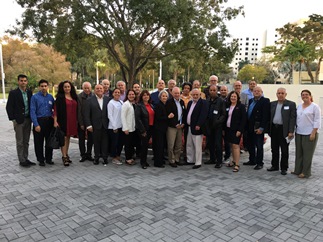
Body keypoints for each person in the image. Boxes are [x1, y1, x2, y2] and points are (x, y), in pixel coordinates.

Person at [6, 74, 35, 167]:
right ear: (18, 82)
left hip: (28, 119)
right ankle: (21, 160)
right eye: (21, 80)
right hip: (18, 121)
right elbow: (9, 107)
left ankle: (26, 158)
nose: (23, 82)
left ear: (27, 82)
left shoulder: (29, 92)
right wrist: (13, 119)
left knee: (26, 141)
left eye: (25, 81)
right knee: (20, 141)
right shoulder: (13, 93)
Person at [267, 88, 296, 175]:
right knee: (274, 149)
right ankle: (274, 166)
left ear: (285, 94)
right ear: (276, 94)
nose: (280, 95)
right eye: (279, 93)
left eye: (282, 93)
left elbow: (292, 118)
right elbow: (269, 117)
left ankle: (284, 167)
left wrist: (291, 131)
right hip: (274, 129)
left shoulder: (291, 104)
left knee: (284, 150)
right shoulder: (272, 104)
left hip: (284, 130)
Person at [293, 90, 321, 178]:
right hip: (299, 132)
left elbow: (317, 120)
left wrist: (313, 133)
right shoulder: (299, 106)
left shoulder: (315, 107)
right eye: (303, 95)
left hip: (309, 133)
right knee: (299, 153)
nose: (304, 96)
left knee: (307, 154)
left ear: (310, 96)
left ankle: (306, 172)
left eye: (306, 94)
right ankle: (297, 170)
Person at [243, 86, 270, 170]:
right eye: (255, 91)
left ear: (261, 92)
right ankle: (252, 160)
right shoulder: (251, 100)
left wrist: (262, 128)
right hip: (250, 126)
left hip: (258, 127)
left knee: (259, 145)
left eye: (258, 91)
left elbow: (265, 116)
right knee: (250, 144)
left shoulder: (265, 101)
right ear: (252, 92)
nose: (256, 92)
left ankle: (259, 163)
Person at [30, 79, 55, 166]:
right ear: (39, 87)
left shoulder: (50, 97)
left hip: (49, 122)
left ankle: (49, 158)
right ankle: (41, 159)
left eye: (45, 86)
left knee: (49, 141)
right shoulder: (35, 97)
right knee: (38, 142)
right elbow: (32, 111)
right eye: (42, 86)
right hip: (39, 121)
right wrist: (36, 124)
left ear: (48, 87)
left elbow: (54, 109)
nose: (44, 88)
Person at [53, 80, 78, 166]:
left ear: (71, 88)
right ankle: (64, 156)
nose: (67, 88)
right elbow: (56, 111)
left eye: (68, 87)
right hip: (63, 120)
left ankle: (66, 154)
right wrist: (55, 121)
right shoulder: (60, 98)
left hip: (72, 120)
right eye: (65, 87)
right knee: (63, 138)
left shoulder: (74, 97)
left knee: (68, 138)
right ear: (62, 88)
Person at [84, 84, 109, 165]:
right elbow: (86, 114)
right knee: (96, 142)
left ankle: (105, 158)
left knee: (105, 142)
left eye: (101, 88)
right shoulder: (89, 100)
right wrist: (88, 125)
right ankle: (96, 158)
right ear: (94, 90)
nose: (99, 90)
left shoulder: (108, 99)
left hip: (105, 125)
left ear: (103, 90)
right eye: (97, 88)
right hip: (95, 125)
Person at [185, 89, 208, 169]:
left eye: (196, 95)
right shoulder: (190, 103)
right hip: (189, 127)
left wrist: (199, 124)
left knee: (197, 145)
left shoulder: (203, 103)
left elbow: (203, 114)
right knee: (189, 144)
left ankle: (198, 162)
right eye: (193, 94)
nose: (195, 96)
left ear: (200, 94)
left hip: (197, 127)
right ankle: (190, 160)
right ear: (191, 95)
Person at [225, 91, 246, 172]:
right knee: (232, 145)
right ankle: (233, 161)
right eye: (231, 96)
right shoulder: (228, 106)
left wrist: (240, 130)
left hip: (236, 130)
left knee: (236, 145)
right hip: (228, 129)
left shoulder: (241, 106)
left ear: (237, 98)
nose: (233, 98)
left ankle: (237, 164)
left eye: (234, 97)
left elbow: (243, 120)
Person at [205, 85, 226, 168]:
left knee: (218, 144)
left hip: (217, 127)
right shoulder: (207, 101)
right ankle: (212, 159)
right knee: (210, 143)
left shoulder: (221, 101)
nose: (212, 91)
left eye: (214, 90)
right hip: (209, 126)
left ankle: (219, 161)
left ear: (217, 91)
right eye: (211, 90)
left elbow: (224, 114)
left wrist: (218, 122)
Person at [166, 87, 186, 167]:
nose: (177, 94)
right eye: (175, 93)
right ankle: (171, 160)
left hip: (180, 126)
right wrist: (175, 124)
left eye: (178, 93)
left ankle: (177, 159)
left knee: (179, 144)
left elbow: (184, 113)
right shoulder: (169, 102)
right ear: (172, 93)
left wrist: (183, 123)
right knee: (171, 144)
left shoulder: (182, 102)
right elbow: (169, 115)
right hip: (172, 127)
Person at [135, 90, 155, 169]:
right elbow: (138, 119)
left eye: (147, 95)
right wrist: (142, 130)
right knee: (144, 146)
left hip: (151, 128)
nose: (146, 96)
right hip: (144, 129)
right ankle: (143, 162)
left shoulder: (151, 105)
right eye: (144, 95)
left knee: (146, 145)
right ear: (141, 97)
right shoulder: (139, 106)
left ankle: (145, 161)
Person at [77, 82, 94, 162]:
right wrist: (81, 123)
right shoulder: (79, 97)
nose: (87, 90)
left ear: (91, 88)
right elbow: (79, 111)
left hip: (91, 122)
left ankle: (89, 154)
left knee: (91, 139)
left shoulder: (94, 96)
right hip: (82, 122)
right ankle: (83, 155)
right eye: (85, 88)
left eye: (88, 88)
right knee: (81, 139)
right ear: (83, 88)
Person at [153, 90, 169, 168]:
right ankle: (158, 163)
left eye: (166, 96)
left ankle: (161, 159)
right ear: (160, 97)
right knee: (159, 145)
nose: (164, 97)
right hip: (158, 129)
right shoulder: (158, 105)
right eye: (163, 96)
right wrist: (168, 117)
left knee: (162, 145)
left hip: (163, 129)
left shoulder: (165, 105)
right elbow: (158, 117)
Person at [108, 88, 124, 165]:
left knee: (120, 142)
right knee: (114, 143)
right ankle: (114, 157)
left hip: (121, 126)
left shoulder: (121, 102)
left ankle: (118, 156)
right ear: (113, 94)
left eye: (119, 92)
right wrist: (114, 127)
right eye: (116, 92)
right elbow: (110, 115)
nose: (117, 93)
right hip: (114, 127)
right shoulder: (111, 103)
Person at [121, 89, 137, 165]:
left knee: (131, 144)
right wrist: (125, 128)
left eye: (133, 94)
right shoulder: (125, 104)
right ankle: (128, 159)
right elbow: (123, 117)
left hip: (133, 128)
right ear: (127, 96)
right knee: (127, 144)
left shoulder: (133, 104)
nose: (131, 96)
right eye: (130, 94)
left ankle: (130, 157)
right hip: (127, 128)